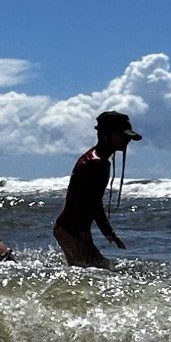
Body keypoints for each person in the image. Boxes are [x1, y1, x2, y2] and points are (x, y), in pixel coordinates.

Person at [53, 110, 142, 268]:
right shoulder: (96, 163)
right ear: (107, 134)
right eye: (123, 136)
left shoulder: (96, 159)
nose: (127, 140)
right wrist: (107, 232)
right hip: (72, 230)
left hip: (71, 228)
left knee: (95, 271)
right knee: (96, 271)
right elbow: (93, 203)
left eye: (129, 137)